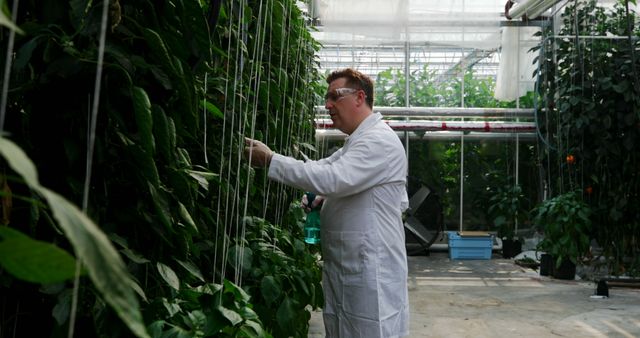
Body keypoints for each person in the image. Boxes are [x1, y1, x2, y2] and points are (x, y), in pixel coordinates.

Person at [244, 68, 409, 338]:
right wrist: (322, 197)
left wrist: (272, 160)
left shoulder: (378, 141)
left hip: (371, 270)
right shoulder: (356, 142)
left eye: (335, 96)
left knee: (371, 328)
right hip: (350, 265)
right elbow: (324, 170)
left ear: (359, 97)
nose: (327, 104)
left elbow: (332, 178)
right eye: (326, 97)